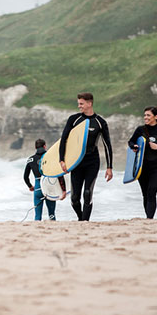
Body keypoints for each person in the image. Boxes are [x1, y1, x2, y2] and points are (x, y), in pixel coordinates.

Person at [58, 92, 113, 221]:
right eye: (78, 104)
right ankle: (81, 219)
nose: (79, 106)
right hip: (76, 162)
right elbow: (63, 140)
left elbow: (107, 145)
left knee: (87, 193)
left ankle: (85, 222)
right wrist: (62, 160)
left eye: (81, 104)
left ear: (89, 103)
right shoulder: (74, 119)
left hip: (92, 161)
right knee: (75, 198)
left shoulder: (100, 122)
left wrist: (110, 167)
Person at [127, 106, 157, 219]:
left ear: (156, 117)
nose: (145, 117)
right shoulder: (140, 130)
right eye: (145, 115)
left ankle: (149, 219)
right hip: (142, 168)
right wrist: (134, 146)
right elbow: (131, 141)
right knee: (145, 195)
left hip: (156, 169)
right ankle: (148, 218)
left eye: (148, 115)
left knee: (151, 193)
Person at [23, 139, 65, 220]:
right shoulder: (50, 157)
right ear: (45, 146)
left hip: (38, 188)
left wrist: (30, 186)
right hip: (50, 188)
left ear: (35, 147)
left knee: (37, 216)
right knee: (51, 214)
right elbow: (59, 174)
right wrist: (63, 189)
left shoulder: (30, 159)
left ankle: (36, 231)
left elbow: (25, 177)